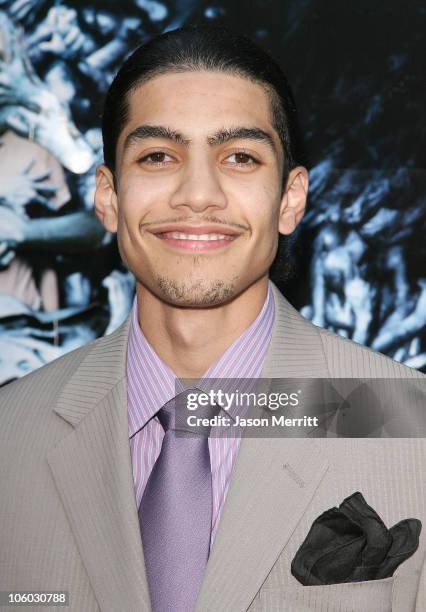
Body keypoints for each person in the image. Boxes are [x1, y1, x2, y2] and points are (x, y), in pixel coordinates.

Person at [0, 25, 425, 612]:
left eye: (240, 157)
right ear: (108, 196)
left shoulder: (407, 424)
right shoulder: (9, 435)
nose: (198, 193)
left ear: (290, 200)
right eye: (157, 155)